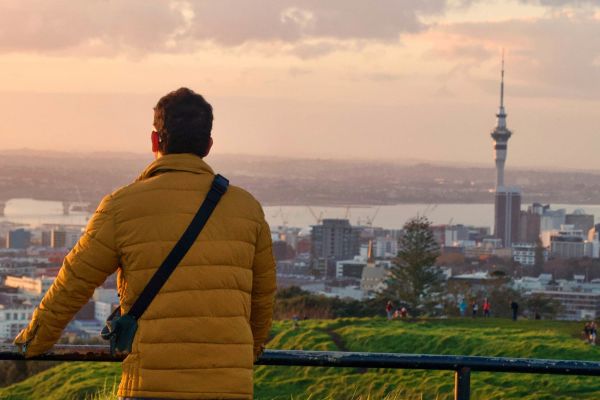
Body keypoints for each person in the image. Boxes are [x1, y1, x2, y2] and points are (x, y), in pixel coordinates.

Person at [13, 88, 277, 400]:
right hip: (229, 386)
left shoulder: (121, 206)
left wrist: (32, 343)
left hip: (149, 384)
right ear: (208, 145)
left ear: (155, 141)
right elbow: (262, 297)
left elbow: (74, 282)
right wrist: (250, 351)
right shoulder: (246, 208)